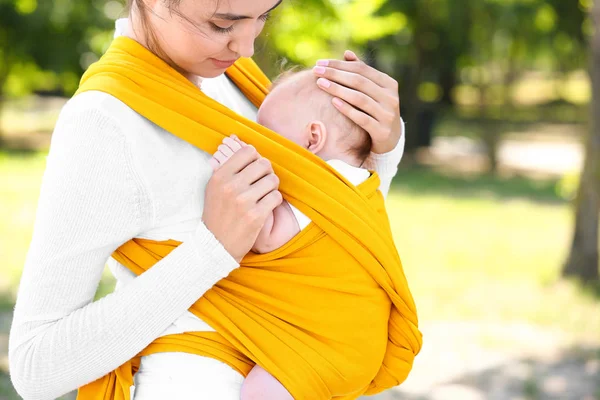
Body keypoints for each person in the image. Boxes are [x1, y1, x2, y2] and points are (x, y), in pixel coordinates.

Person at [8, 1, 407, 399]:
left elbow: (324, 247)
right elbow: (35, 367)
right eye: (222, 23)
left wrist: (376, 150)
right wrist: (211, 251)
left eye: (263, 16)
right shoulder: (105, 121)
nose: (247, 47)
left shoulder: (232, 80)